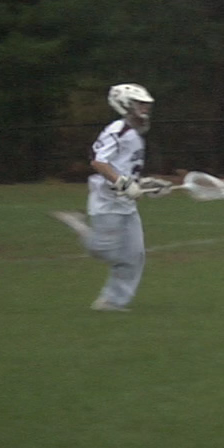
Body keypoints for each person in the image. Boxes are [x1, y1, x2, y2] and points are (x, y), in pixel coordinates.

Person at [49, 84, 169, 312]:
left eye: (146, 104)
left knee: (135, 255)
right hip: (107, 201)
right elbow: (98, 162)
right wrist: (122, 183)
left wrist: (146, 184)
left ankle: (112, 302)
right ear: (125, 104)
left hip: (127, 203)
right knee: (103, 251)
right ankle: (79, 225)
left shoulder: (135, 133)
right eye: (140, 103)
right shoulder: (118, 130)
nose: (145, 108)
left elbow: (125, 167)